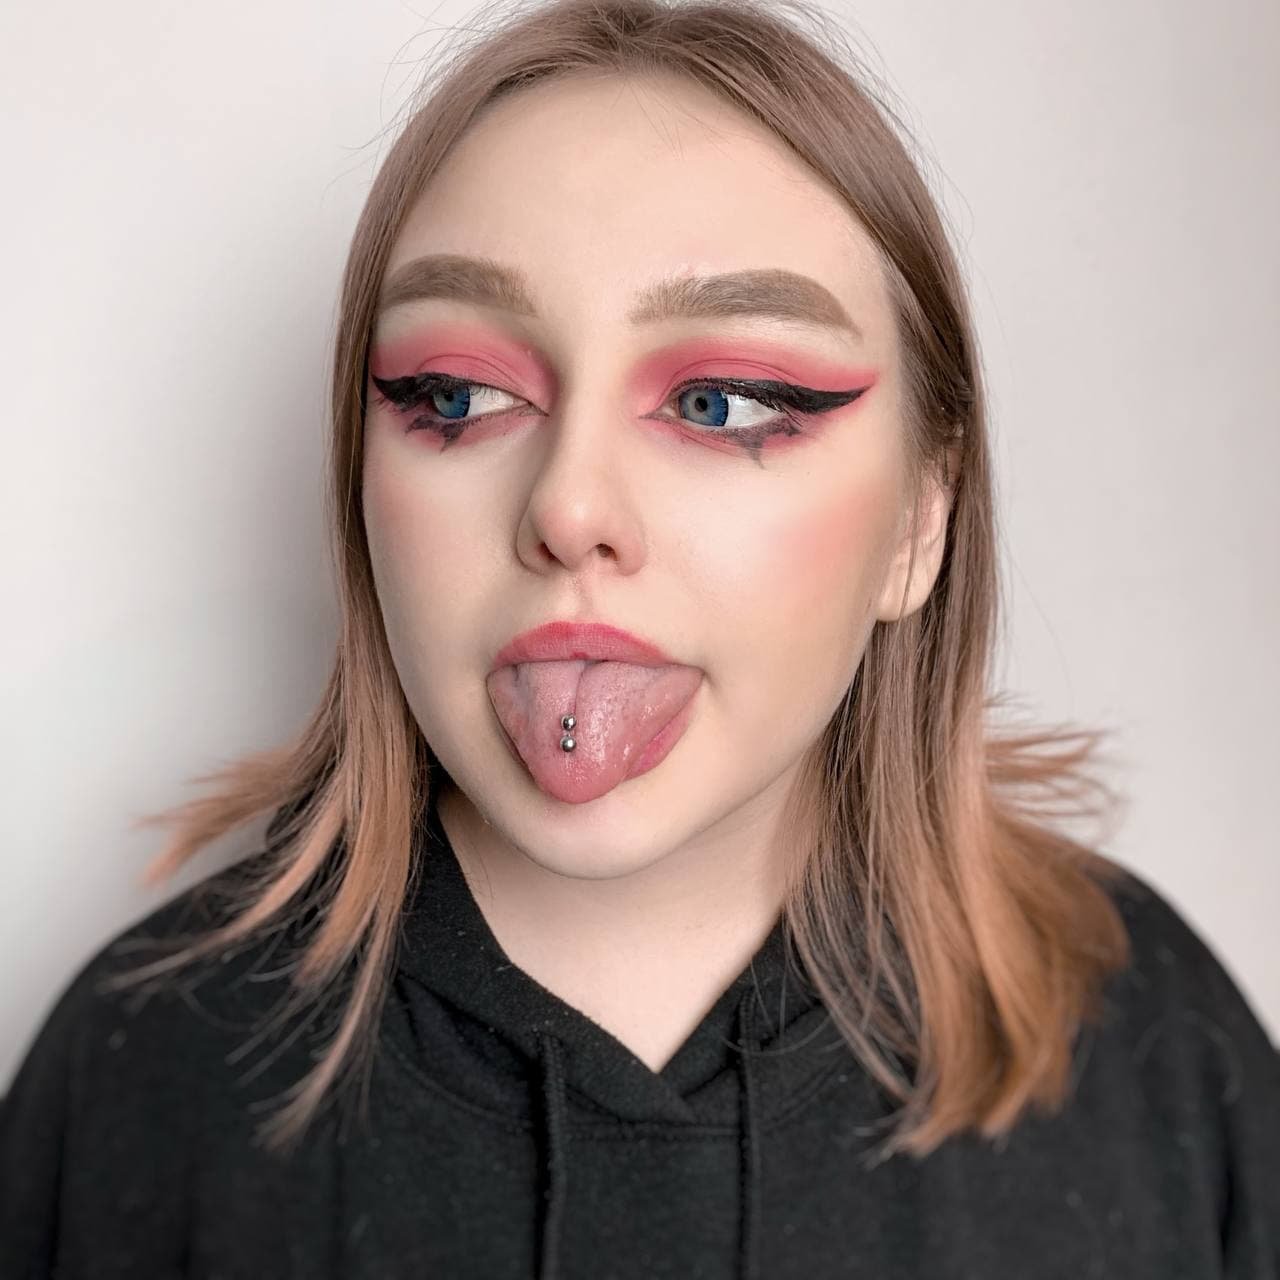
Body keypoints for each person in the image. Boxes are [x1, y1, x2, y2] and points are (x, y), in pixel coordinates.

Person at [3, 0, 1277, 1275]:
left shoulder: (1159, 1051)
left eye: (721, 403)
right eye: (458, 395)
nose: (568, 510)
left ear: (917, 522)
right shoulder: (138, 1082)